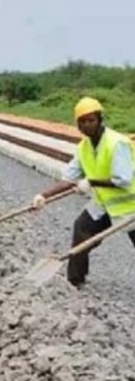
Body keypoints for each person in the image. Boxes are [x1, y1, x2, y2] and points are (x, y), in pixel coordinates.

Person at [31, 97, 135, 288]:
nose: (88, 125)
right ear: (77, 125)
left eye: (91, 120)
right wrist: (44, 196)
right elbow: (68, 178)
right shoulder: (83, 148)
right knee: (82, 228)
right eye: (83, 121)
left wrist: (92, 181)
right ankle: (74, 281)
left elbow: (124, 179)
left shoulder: (117, 143)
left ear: (100, 120)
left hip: (131, 205)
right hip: (105, 204)